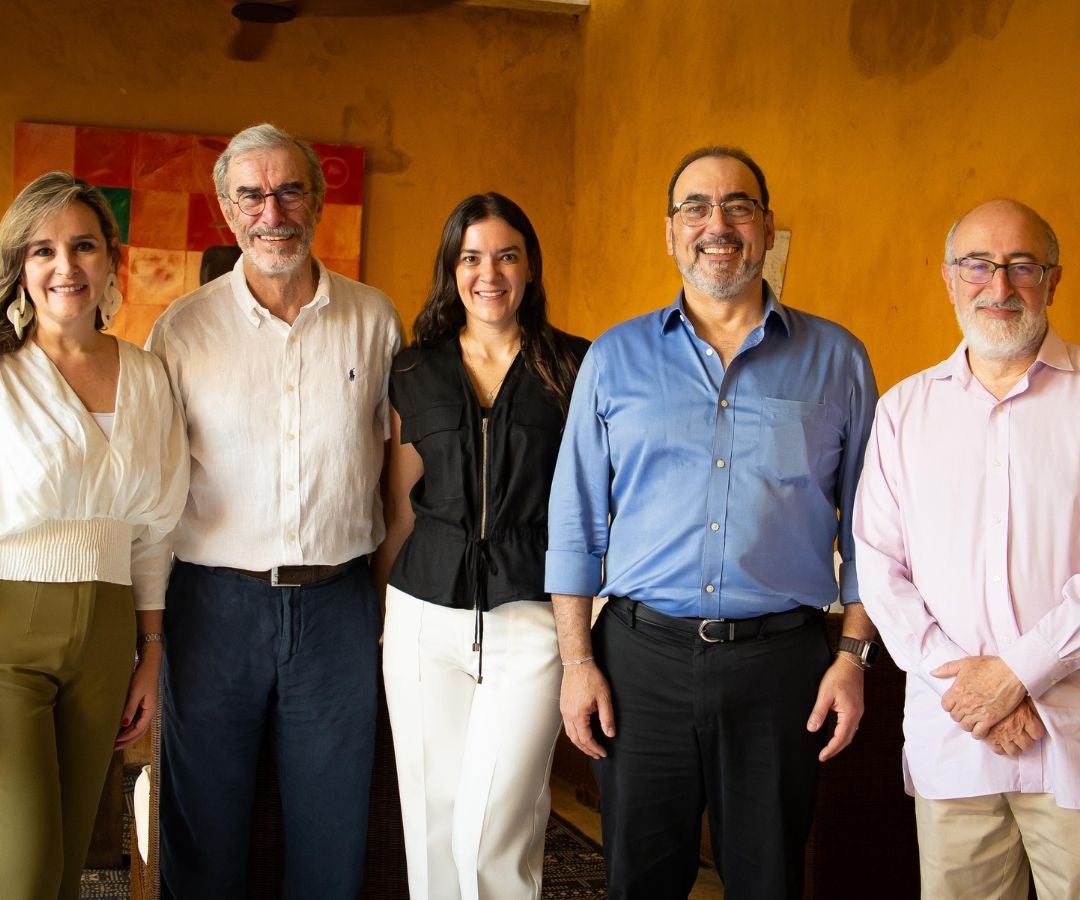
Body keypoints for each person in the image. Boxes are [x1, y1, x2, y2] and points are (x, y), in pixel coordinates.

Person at [545, 146, 879, 900]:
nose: (716, 224)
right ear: (669, 233)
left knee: (768, 879)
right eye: (695, 206)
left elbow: (871, 531)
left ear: (765, 229)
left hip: (782, 669)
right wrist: (576, 662)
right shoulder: (613, 357)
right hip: (638, 663)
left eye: (738, 207)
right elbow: (575, 522)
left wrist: (853, 658)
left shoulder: (839, 359)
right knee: (640, 879)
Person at [147, 124, 401, 899]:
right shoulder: (182, 329)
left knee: (334, 828)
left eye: (290, 190)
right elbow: (154, 488)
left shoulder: (375, 319)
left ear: (319, 201)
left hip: (339, 606)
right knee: (203, 826)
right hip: (211, 608)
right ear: (228, 211)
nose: (272, 211)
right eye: (251, 195)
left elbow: (401, 468)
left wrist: (385, 597)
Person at [854, 199, 1080, 899]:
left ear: (1055, 278)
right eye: (978, 265)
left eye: (1022, 266)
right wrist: (972, 692)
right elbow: (880, 567)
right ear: (950, 280)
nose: (1000, 286)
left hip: (1070, 737)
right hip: (955, 741)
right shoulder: (903, 412)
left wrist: (1017, 674)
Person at [373, 192, 589, 900]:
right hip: (421, 615)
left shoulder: (575, 368)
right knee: (432, 829)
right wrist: (383, 621)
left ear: (530, 268)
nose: (488, 272)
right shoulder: (413, 369)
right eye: (470, 257)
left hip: (532, 620)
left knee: (490, 832)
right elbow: (401, 504)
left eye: (506, 255)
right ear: (451, 269)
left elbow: (590, 505)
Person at [0, 172, 188, 899]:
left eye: (83, 245)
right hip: (9, 634)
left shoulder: (148, 377)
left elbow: (155, 535)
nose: (65, 266)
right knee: (23, 868)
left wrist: (150, 652)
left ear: (113, 258)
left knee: (68, 869)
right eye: (43, 250)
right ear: (21, 264)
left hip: (108, 640)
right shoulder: (6, 374)